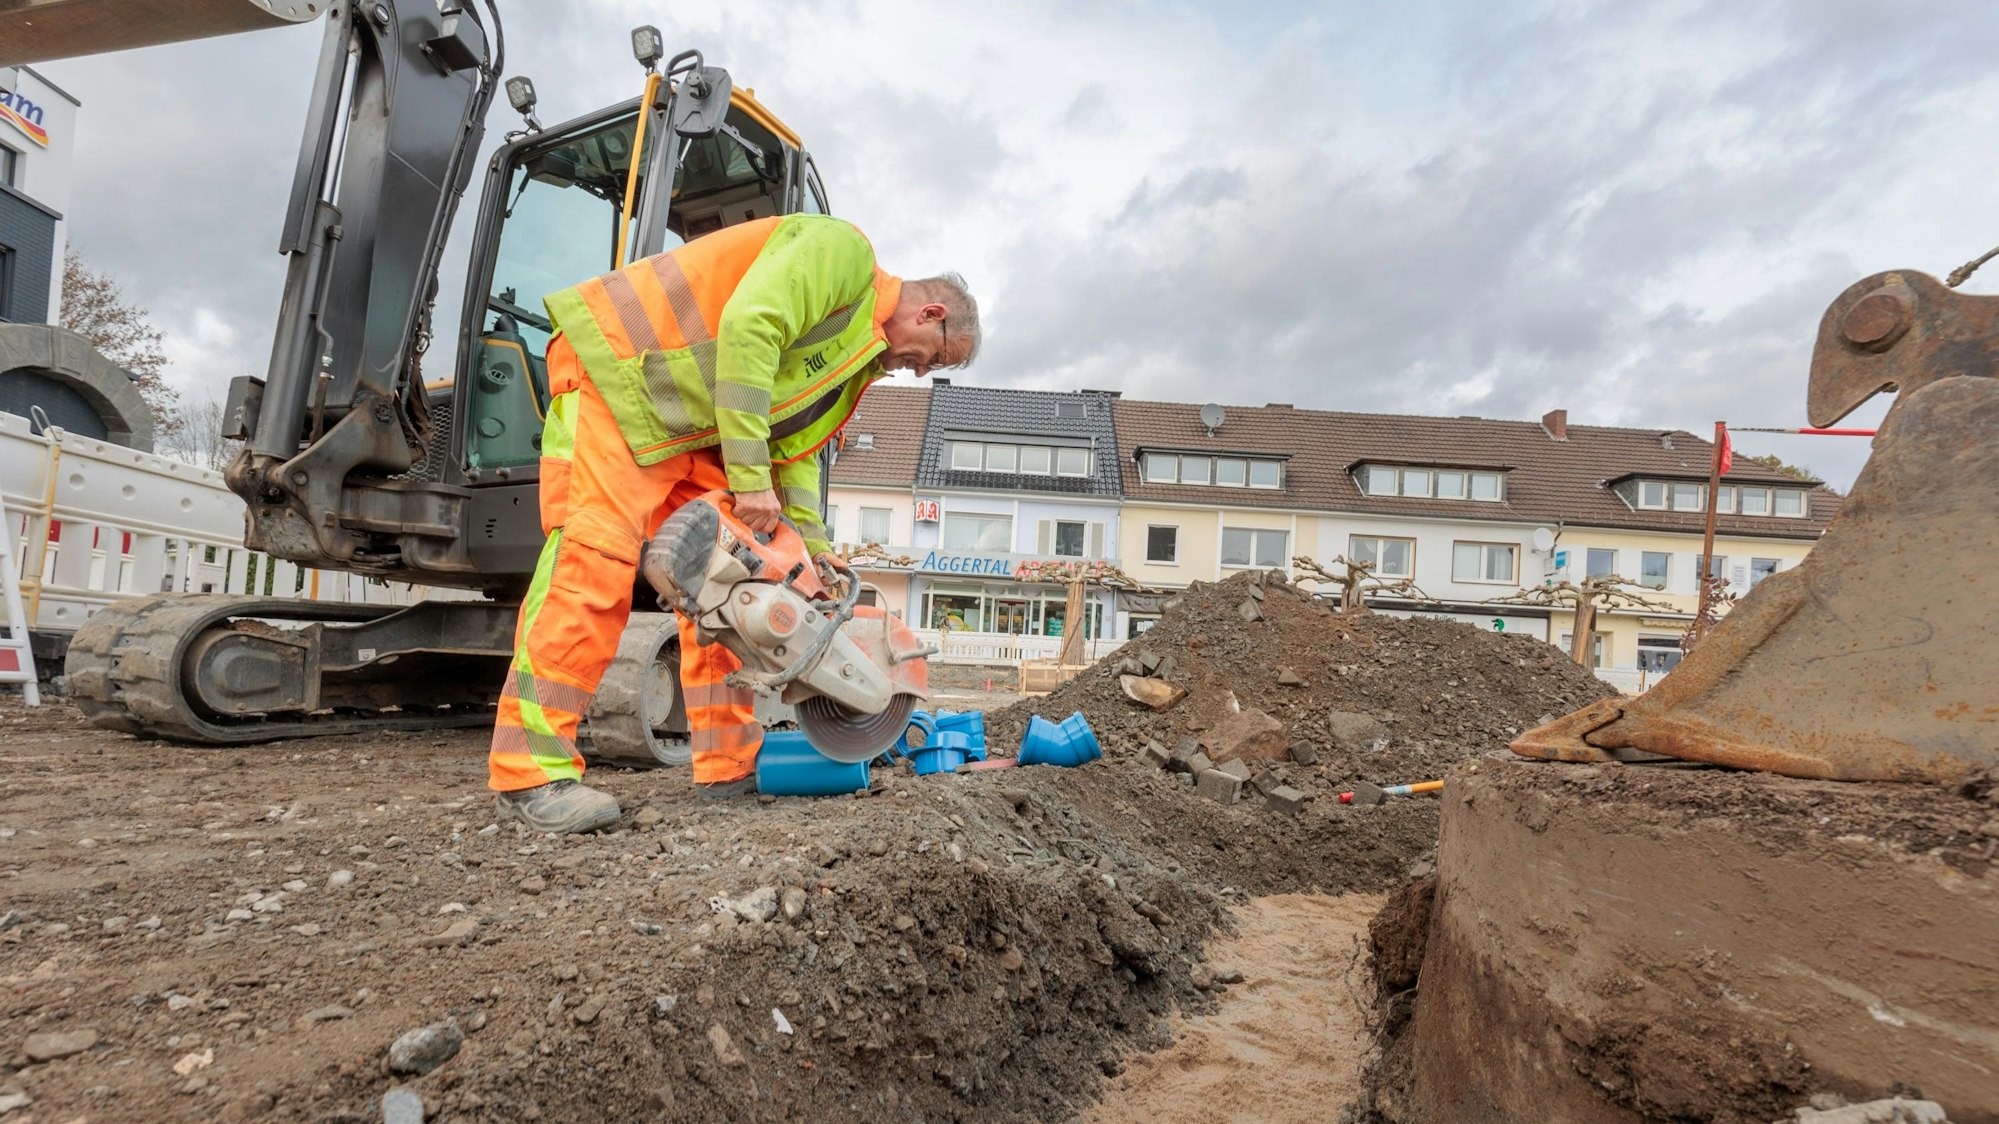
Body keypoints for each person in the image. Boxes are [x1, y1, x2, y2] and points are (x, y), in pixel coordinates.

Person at [488, 214, 980, 833]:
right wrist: (749, 482)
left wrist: (815, 553)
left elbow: (794, 449)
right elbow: (749, 327)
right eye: (934, 359)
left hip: (690, 428)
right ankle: (529, 772)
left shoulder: (854, 362)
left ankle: (726, 765)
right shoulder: (844, 256)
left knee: (729, 591)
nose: (920, 370)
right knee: (593, 566)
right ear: (930, 314)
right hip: (620, 377)